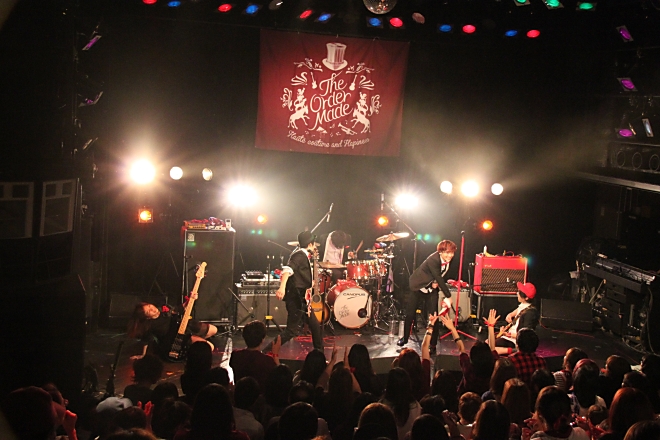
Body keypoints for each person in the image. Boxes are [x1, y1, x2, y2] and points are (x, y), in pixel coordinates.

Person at [398, 239, 457, 351]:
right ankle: (405, 338)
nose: (450, 255)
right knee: (410, 314)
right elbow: (438, 277)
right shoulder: (433, 259)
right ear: (440, 252)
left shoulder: (447, 261)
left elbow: (438, 276)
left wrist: (433, 283)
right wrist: (448, 296)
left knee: (434, 316)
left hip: (431, 289)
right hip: (418, 287)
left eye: (452, 253)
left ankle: (433, 344)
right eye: (447, 253)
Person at [127, 291, 217, 360]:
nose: (152, 309)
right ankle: (193, 348)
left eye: (150, 306)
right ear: (147, 317)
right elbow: (146, 340)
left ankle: (196, 342)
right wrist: (143, 355)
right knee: (209, 347)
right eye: (149, 311)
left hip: (185, 327)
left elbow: (179, 309)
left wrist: (190, 299)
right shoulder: (150, 325)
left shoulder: (163, 310)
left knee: (214, 330)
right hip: (177, 339)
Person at [273, 230, 323, 351]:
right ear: (310, 244)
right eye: (314, 244)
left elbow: (299, 274)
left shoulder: (302, 255)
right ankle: (266, 351)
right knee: (291, 331)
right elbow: (287, 271)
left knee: (315, 325)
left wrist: (309, 282)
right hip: (296, 298)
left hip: (302, 297)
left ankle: (319, 352)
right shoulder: (299, 255)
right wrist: (282, 288)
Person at [230, 320, 281, 392]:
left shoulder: (235, 356)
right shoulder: (267, 361)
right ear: (262, 339)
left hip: (240, 395)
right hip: (260, 397)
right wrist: (275, 354)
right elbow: (280, 377)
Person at [495, 282, 539, 355]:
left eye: (519, 292)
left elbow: (524, 336)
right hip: (509, 336)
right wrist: (510, 315)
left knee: (490, 347)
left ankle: (514, 351)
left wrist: (507, 334)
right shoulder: (525, 305)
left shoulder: (530, 314)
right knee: (488, 342)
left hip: (514, 341)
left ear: (526, 298)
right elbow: (518, 310)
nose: (517, 293)